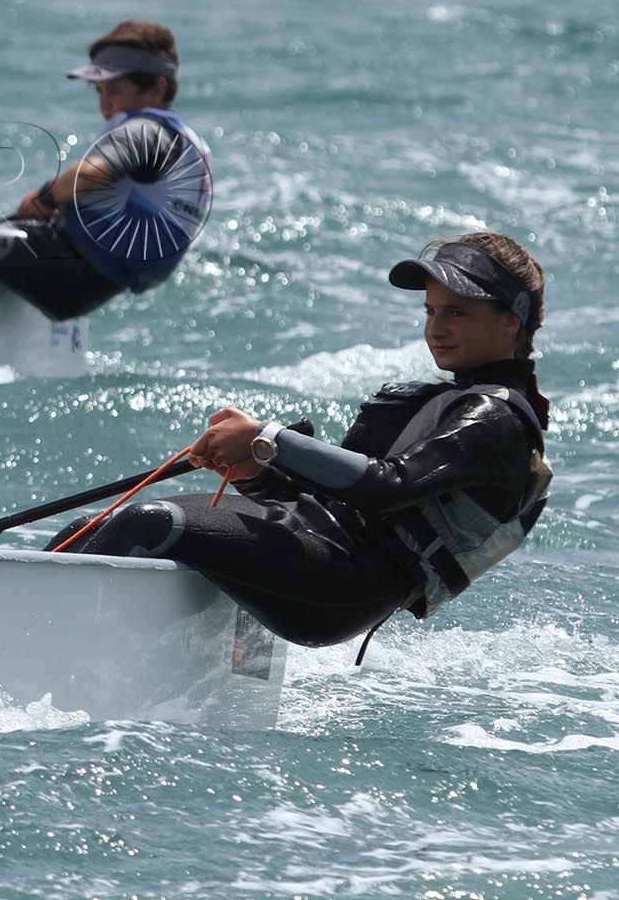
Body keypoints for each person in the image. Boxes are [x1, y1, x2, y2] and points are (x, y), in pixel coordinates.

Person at [49, 231, 553, 650]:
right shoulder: (453, 401)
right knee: (88, 528)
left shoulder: (494, 419)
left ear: (512, 321)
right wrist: (254, 470)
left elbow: (388, 487)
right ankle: (22, 638)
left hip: (344, 586)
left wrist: (268, 438)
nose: (437, 328)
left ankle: (43, 651)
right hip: (321, 551)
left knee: (150, 522)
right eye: (430, 311)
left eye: (457, 313)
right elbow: (334, 507)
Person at [0, 20, 211, 321]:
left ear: (156, 88)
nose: (106, 104)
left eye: (115, 90)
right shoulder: (183, 141)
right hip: (96, 283)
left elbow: (90, 175)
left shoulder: (145, 130)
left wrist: (45, 196)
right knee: (2, 235)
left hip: (73, 268)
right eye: (99, 92)